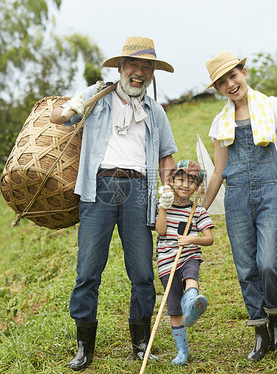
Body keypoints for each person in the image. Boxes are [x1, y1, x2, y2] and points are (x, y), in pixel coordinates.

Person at [49, 36, 177, 371]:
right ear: (120, 68)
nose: (139, 72)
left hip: (138, 191)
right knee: (88, 271)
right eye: (133, 65)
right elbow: (58, 119)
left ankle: (139, 345)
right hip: (99, 188)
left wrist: (170, 194)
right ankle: (83, 348)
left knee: (142, 274)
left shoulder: (155, 111)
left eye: (146, 67)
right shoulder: (98, 96)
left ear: (151, 74)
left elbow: (167, 158)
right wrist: (73, 105)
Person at [202, 51, 277, 361]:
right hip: (237, 199)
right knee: (246, 268)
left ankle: (274, 319)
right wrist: (201, 207)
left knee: (269, 263)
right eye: (222, 82)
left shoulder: (273, 106)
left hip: (272, 191)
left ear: (244, 72)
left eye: (233, 76)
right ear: (218, 89)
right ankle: (260, 331)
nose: (230, 84)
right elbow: (218, 171)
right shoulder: (221, 122)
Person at [155, 159, 214, 366]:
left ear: (198, 187)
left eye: (191, 182)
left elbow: (209, 239)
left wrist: (191, 239)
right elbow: (161, 230)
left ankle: (192, 301)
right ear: (171, 181)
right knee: (173, 307)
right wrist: (163, 207)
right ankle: (182, 351)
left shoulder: (198, 211)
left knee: (191, 274)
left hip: (188, 254)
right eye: (180, 179)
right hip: (166, 261)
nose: (185, 185)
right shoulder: (165, 205)